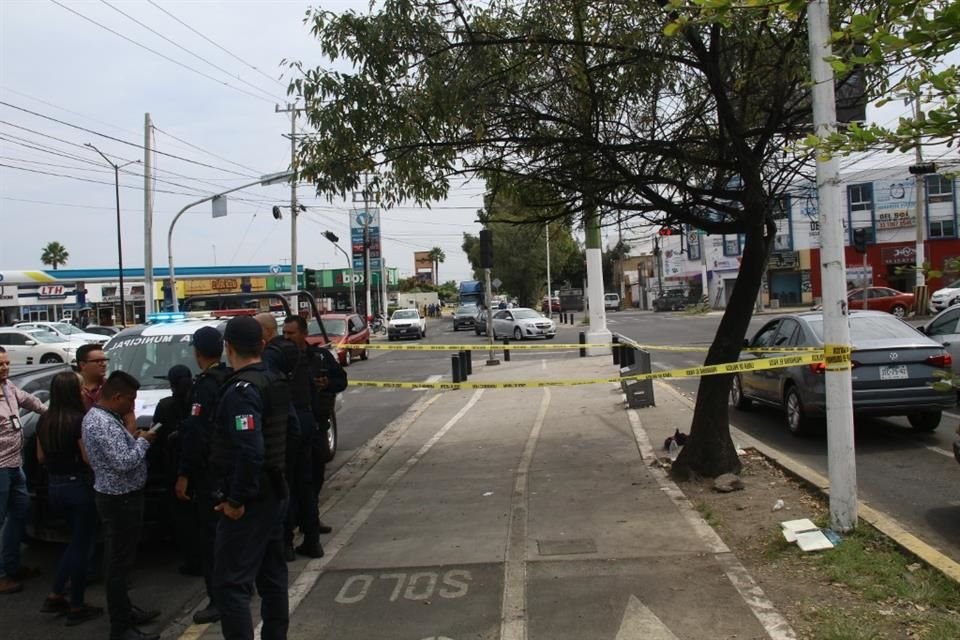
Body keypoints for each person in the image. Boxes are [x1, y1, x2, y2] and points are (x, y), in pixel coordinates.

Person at [211, 315, 289, 640]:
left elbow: (250, 450)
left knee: (231, 585)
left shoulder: (242, 391)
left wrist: (235, 500)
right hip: (275, 491)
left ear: (227, 348)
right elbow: (293, 433)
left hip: (250, 501)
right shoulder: (275, 380)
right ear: (262, 343)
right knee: (272, 578)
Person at [82, 371, 160, 640]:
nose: (132, 405)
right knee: (118, 566)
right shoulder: (100, 423)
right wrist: (143, 441)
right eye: (130, 399)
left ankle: (126, 611)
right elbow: (124, 462)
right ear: (116, 397)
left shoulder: (107, 419)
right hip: (119, 500)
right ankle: (121, 627)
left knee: (123, 563)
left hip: (124, 496)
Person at [174, 327, 232, 625]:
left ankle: (219, 600)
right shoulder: (231, 378)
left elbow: (195, 435)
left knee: (212, 542)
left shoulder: (204, 386)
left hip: (209, 474)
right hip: (231, 471)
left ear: (197, 352)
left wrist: (184, 473)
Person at [36, 371, 103, 624]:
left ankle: (56, 594)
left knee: (73, 542)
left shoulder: (45, 420)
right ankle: (76, 603)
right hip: (78, 487)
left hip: (55, 487)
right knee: (81, 545)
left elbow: (40, 458)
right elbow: (87, 458)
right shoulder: (79, 421)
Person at [282, 315, 346, 559]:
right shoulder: (280, 360)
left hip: (316, 427)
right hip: (290, 434)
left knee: (312, 482)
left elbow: (341, 380)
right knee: (291, 486)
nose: (287, 338)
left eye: (291, 333)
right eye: (284, 333)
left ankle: (311, 529)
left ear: (304, 333)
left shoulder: (318, 357)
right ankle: (290, 537)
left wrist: (327, 382)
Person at [253, 313, 302, 564]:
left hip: (274, 447)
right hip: (286, 440)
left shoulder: (268, 363)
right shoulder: (279, 360)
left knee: (280, 495)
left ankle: (283, 543)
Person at [0, 346, 47, 595]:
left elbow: (32, 402)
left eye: (7, 363)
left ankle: (11, 566)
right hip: (0, 469)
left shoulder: (8, 388)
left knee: (19, 514)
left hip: (15, 465)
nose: (5, 368)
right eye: (0, 365)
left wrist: (54, 413)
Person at [152, 365, 198, 577]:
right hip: (199, 467)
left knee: (183, 520)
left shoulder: (164, 406)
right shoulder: (199, 403)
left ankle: (191, 560)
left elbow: (156, 437)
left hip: (173, 468)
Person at [76, 343, 109, 412]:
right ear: (83, 365)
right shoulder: (69, 387)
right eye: (98, 361)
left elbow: (128, 416)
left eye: (104, 360)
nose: (104, 364)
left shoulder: (111, 387)